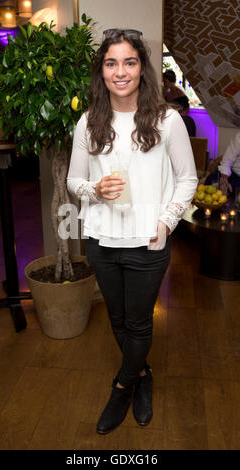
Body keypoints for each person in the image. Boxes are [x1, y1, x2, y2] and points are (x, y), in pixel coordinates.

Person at [67, 29, 198, 434]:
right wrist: (95, 189)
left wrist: (165, 222)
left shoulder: (167, 119)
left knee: (139, 323)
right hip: (102, 240)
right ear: (101, 71)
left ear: (142, 68)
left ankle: (123, 384)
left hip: (149, 240)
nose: (120, 71)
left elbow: (188, 179)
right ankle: (142, 375)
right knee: (119, 320)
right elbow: (74, 181)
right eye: (111, 63)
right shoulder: (89, 121)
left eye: (130, 62)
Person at [205, 130, 240, 195]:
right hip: (230, 173)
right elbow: (227, 161)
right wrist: (224, 181)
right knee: (210, 183)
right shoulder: (239, 137)